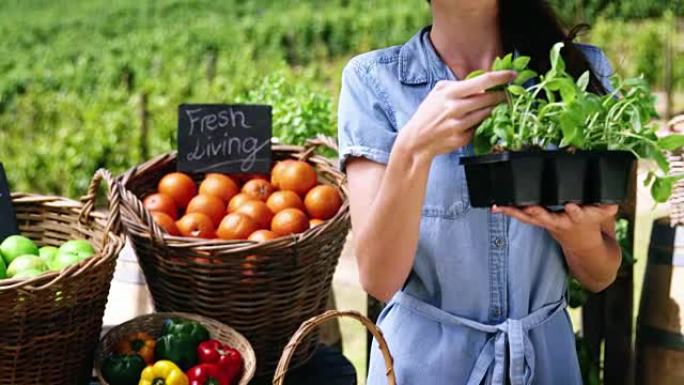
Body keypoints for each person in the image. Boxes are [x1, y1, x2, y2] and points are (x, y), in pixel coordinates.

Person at [337, 1, 621, 384]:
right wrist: (413, 151)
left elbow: (600, 273)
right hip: (424, 369)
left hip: (546, 367)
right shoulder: (373, 81)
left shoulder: (574, 73)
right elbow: (379, 279)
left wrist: (578, 236)